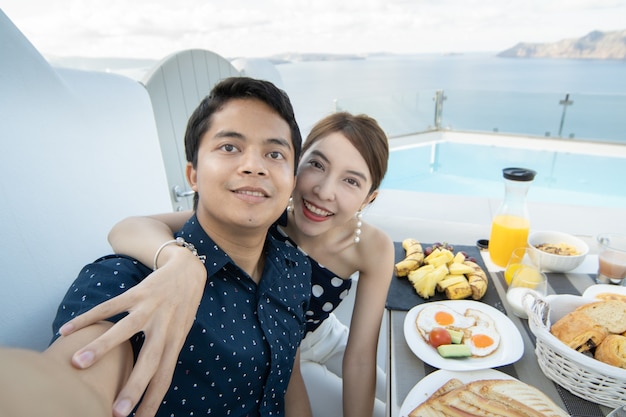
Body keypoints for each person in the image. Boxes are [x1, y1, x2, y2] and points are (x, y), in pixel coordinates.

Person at [0, 76, 313, 417]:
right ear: (193, 175)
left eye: (274, 153)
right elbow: (69, 384)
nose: (254, 165)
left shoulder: (294, 267)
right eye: (229, 147)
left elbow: (288, 377)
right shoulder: (131, 278)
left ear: (292, 182)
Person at [63, 112, 394, 417]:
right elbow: (126, 228)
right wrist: (177, 259)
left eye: (351, 181)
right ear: (295, 165)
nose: (324, 191)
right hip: (280, 354)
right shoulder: (260, 214)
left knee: (399, 398)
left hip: (324, 336)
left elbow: (361, 357)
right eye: (317, 165)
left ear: (369, 198)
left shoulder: (373, 246)